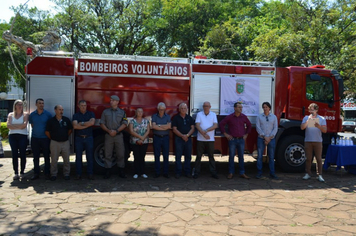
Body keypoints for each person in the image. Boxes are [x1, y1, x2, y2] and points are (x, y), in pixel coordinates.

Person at [219, 102, 252, 179]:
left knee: (241, 157)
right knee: (231, 157)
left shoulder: (243, 117)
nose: (241, 109)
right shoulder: (230, 117)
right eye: (239, 107)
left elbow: (249, 125)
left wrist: (246, 134)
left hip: (241, 140)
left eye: (241, 107)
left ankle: (242, 173)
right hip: (232, 140)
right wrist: (226, 134)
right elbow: (221, 124)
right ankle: (231, 173)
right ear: (235, 108)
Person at [100, 95, 128, 179]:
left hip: (118, 135)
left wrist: (116, 131)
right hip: (108, 135)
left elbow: (124, 123)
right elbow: (102, 123)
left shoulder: (122, 112)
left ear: (117, 102)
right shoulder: (105, 112)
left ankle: (121, 171)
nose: (110, 101)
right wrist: (109, 131)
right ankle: (107, 171)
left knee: (120, 153)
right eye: (111, 100)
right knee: (107, 154)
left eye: (112, 100)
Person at [45, 105, 73, 181]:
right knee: (54, 159)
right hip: (54, 142)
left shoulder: (66, 120)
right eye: (59, 109)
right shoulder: (51, 121)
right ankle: (53, 174)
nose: (61, 111)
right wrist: (53, 138)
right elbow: (47, 132)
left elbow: (70, 130)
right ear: (55, 110)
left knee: (66, 159)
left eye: (62, 110)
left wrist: (64, 136)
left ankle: (66, 174)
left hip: (65, 142)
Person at [301, 103, 327, 182]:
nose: (311, 111)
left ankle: (320, 175)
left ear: (316, 110)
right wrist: (307, 121)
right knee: (308, 158)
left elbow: (325, 130)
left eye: (313, 110)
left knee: (318, 159)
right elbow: (302, 128)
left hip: (318, 141)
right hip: (308, 141)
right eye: (310, 110)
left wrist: (319, 126)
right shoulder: (306, 118)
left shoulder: (321, 118)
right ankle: (308, 173)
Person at [193, 101, 219, 179]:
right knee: (198, 156)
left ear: (210, 107)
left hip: (210, 139)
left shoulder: (213, 114)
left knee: (211, 156)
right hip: (200, 139)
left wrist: (206, 131)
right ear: (203, 107)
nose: (205, 107)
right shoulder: (199, 114)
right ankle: (196, 172)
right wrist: (204, 134)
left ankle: (213, 172)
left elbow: (215, 125)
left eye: (207, 106)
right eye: (204, 106)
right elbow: (197, 125)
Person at [29, 98, 52, 180]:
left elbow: (50, 126)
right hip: (35, 138)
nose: (41, 105)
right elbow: (32, 125)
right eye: (40, 103)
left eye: (42, 103)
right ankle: (36, 173)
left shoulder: (48, 114)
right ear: (36, 104)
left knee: (46, 156)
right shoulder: (32, 115)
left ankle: (47, 173)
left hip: (45, 138)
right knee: (35, 156)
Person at [72, 100, 95, 180]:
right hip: (79, 138)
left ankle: (90, 174)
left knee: (90, 157)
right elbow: (75, 126)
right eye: (81, 105)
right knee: (78, 157)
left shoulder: (90, 114)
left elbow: (92, 123)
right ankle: (78, 174)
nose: (83, 107)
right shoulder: (75, 115)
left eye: (84, 105)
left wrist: (81, 124)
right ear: (78, 106)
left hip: (88, 138)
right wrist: (86, 124)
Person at [256, 102, 279, 179]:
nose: (265, 108)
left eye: (266, 107)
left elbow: (275, 128)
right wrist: (264, 136)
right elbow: (258, 127)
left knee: (271, 157)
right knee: (259, 156)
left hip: (271, 139)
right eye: (264, 107)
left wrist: (269, 137)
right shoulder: (259, 117)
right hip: (261, 138)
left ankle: (272, 173)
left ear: (269, 108)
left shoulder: (274, 117)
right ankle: (259, 173)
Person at [7, 100, 29, 180]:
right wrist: (19, 126)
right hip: (12, 136)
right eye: (18, 105)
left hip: (22, 136)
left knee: (23, 154)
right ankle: (16, 173)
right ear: (15, 106)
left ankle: (22, 172)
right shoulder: (11, 114)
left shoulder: (25, 114)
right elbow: (8, 125)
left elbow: (24, 125)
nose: (20, 106)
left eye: (21, 105)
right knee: (14, 154)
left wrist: (14, 126)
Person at [172, 103, 195, 179]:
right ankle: (178, 172)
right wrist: (182, 136)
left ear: (187, 109)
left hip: (188, 139)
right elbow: (174, 129)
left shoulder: (190, 118)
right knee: (178, 156)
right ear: (179, 109)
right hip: (179, 139)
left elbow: (192, 128)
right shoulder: (176, 118)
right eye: (181, 108)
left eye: (184, 108)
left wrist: (187, 135)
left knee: (188, 156)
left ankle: (187, 172)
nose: (183, 110)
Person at [129, 108, 150, 179]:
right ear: (136, 112)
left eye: (141, 111)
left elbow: (148, 131)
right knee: (136, 157)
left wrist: (142, 138)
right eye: (138, 111)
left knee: (142, 157)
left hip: (144, 141)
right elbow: (131, 131)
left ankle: (143, 172)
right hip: (135, 141)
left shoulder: (146, 121)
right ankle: (136, 172)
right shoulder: (132, 121)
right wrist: (140, 137)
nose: (140, 113)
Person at [151, 102, 171, 178]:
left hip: (165, 137)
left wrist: (158, 125)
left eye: (162, 109)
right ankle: (157, 172)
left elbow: (169, 126)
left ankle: (165, 173)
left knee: (166, 156)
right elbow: (153, 126)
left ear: (165, 109)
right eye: (160, 109)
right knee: (157, 156)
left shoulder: (168, 116)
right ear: (158, 109)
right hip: (157, 137)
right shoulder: (154, 116)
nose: (161, 111)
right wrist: (163, 126)